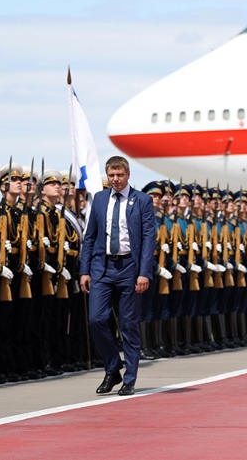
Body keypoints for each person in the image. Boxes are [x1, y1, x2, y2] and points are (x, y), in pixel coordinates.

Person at [80, 156, 156, 396]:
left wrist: (144, 273)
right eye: (111, 175)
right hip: (102, 268)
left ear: (128, 174)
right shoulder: (100, 199)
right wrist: (84, 271)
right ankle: (113, 369)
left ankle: (130, 379)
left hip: (129, 270)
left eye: (119, 175)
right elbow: (90, 237)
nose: (115, 179)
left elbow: (148, 239)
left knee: (128, 325)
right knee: (96, 319)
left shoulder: (142, 200)